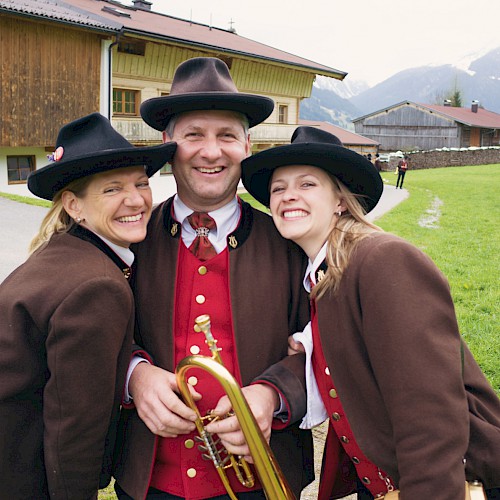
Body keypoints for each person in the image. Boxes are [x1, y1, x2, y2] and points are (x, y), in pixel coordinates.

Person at [241, 126, 500, 499]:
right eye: (278, 188)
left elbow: (430, 412)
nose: (288, 195)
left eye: (307, 184)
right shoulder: (321, 276)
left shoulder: (383, 260)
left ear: (340, 201)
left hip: (454, 481)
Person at [112, 57, 313, 499]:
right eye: (193, 135)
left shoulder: (292, 243)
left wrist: (273, 395)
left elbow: (326, 348)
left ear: (247, 145)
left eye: (227, 136)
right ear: (167, 143)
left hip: (264, 479)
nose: (211, 151)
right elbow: (94, 335)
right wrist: (134, 376)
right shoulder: (127, 240)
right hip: (149, 480)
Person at [0, 112, 176, 499]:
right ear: (74, 205)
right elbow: (75, 431)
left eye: (142, 183)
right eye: (112, 189)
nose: (136, 200)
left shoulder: (63, 251)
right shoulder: (98, 287)